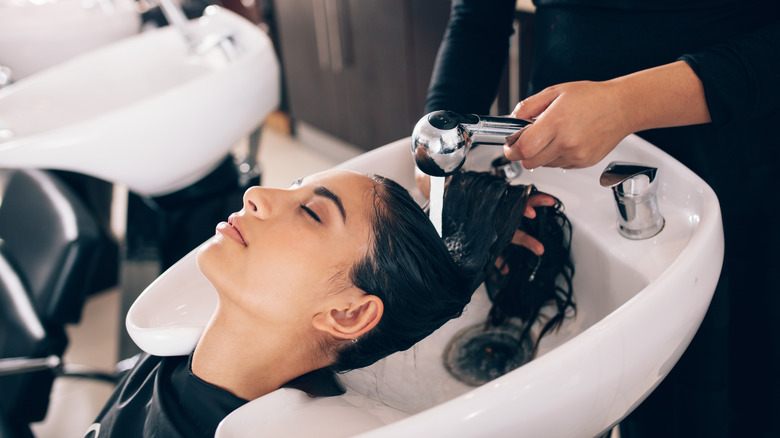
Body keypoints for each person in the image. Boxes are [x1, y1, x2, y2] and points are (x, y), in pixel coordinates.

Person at [424, 0, 779, 436]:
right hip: (562, 163)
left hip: (730, 167)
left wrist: (627, 105)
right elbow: (477, 19)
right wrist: (443, 142)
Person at [86, 168, 569, 437]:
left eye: (311, 212)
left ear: (348, 313)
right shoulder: (172, 353)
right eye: (293, 186)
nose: (255, 194)